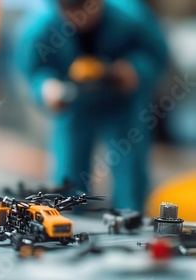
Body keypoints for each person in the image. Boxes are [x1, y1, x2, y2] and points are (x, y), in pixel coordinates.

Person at [18, 0, 168, 211]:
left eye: (86, 7)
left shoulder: (131, 16)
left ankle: (131, 219)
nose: (80, 17)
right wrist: (46, 87)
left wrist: (135, 70)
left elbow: (157, 54)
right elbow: (32, 71)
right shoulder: (40, 29)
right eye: (69, 10)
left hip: (122, 102)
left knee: (130, 170)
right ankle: (67, 223)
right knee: (68, 174)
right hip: (74, 103)